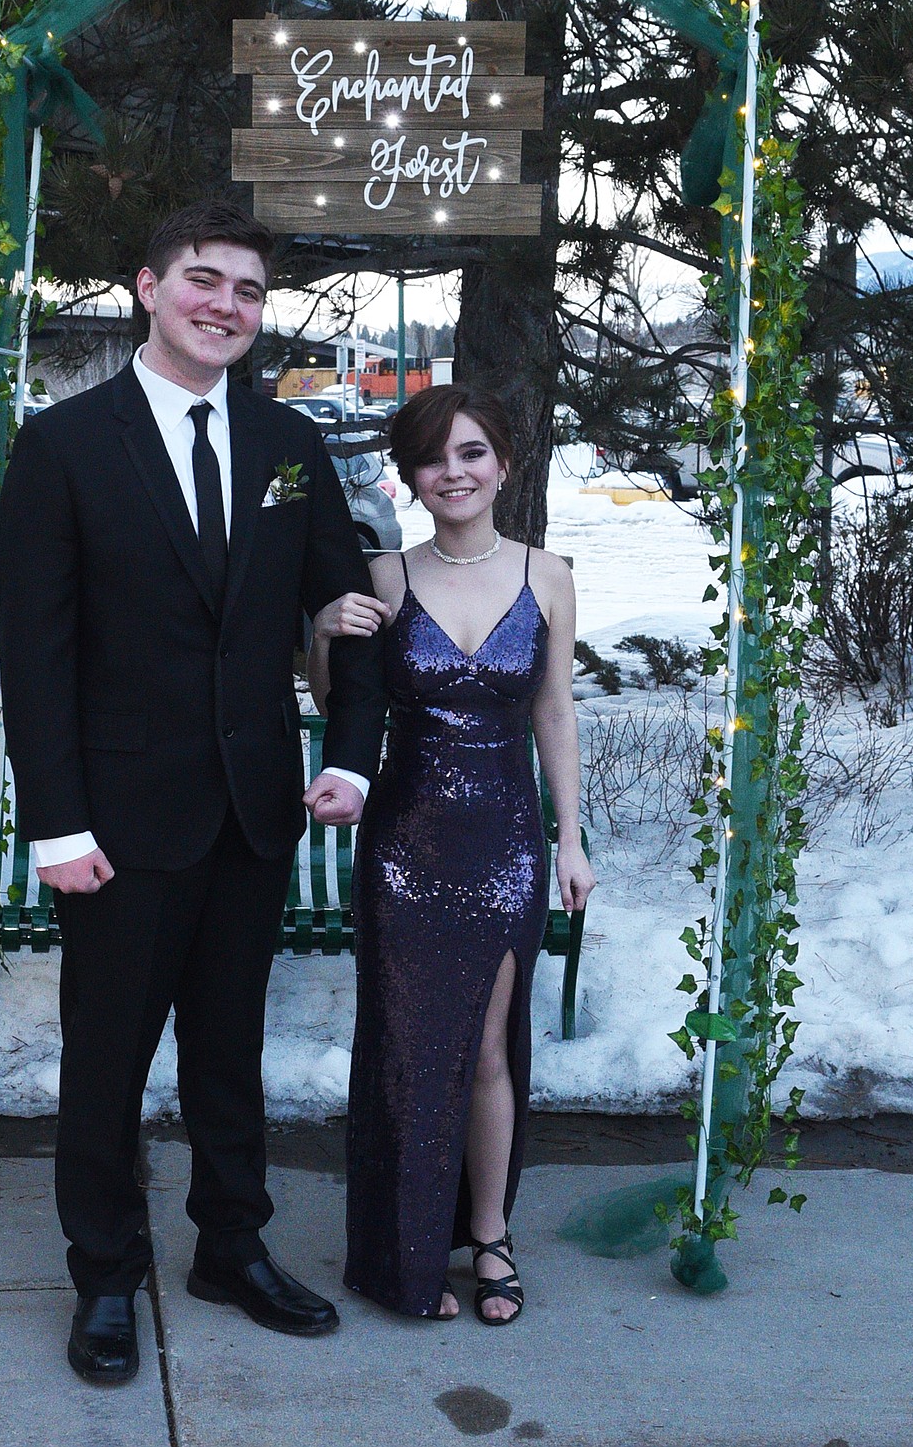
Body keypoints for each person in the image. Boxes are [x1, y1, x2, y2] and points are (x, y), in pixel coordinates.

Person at [0, 200, 386, 1383]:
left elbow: (351, 612)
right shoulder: (62, 448)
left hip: (254, 809)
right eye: (203, 280)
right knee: (106, 1058)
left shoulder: (288, 446)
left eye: (249, 291)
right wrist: (55, 822)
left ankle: (232, 1246)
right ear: (147, 288)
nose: (226, 305)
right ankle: (106, 1272)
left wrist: (352, 750)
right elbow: (39, 654)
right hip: (113, 820)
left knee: (229, 1049)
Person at [307, 384, 595, 1324]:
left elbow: (554, 710)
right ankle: (405, 1247)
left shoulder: (547, 574)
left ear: (504, 463)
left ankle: (490, 1233)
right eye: (435, 458)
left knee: (481, 1051)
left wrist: (570, 840)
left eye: (472, 453)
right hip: (405, 844)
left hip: (505, 840)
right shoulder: (386, 576)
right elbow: (339, 701)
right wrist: (321, 634)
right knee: (407, 1047)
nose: (455, 472)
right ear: (412, 477)